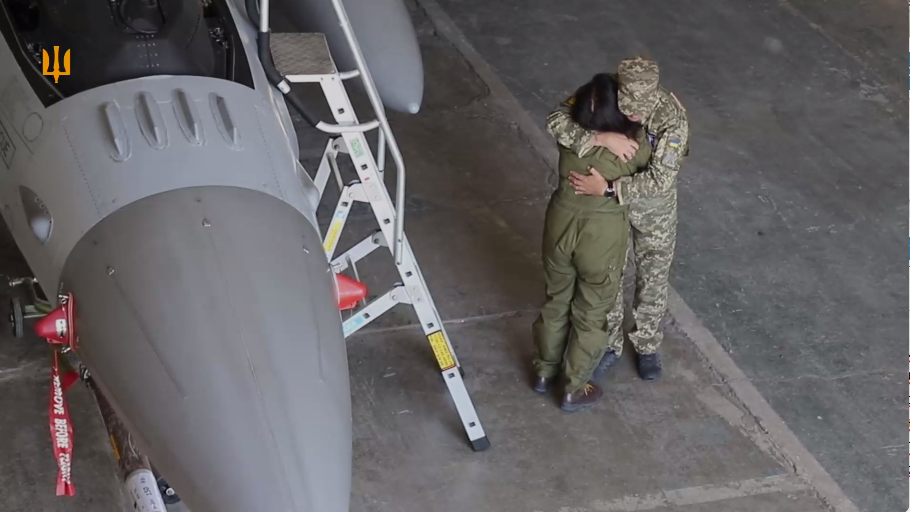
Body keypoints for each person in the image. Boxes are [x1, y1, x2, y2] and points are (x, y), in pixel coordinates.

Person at [545, 56, 689, 382]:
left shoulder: (671, 118)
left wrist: (608, 188)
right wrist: (599, 138)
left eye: (641, 107)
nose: (634, 113)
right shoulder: (605, 91)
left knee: (653, 273)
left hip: (652, 207)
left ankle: (647, 343)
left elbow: (660, 179)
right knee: (609, 273)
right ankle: (609, 344)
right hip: (612, 212)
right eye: (627, 105)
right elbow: (556, 118)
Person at [532, 73, 652, 412]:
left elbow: (561, 114)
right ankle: (574, 387)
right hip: (601, 234)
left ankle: (544, 372)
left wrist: (599, 136)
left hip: (559, 222)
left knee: (556, 300)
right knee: (591, 312)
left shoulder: (570, 136)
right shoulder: (634, 148)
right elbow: (665, 168)